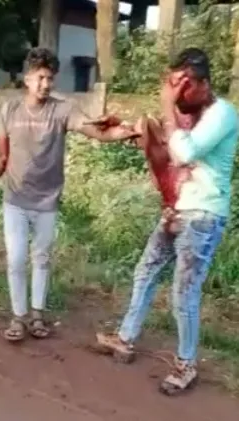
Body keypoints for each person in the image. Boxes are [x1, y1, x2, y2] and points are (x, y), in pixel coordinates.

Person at [96, 48, 239, 396]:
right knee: (145, 271)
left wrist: (166, 107)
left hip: (203, 216)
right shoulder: (193, 116)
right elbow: (166, 145)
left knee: (184, 294)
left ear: (202, 84)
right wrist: (129, 129)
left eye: (181, 87)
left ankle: (186, 364)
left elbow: (185, 153)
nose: (176, 95)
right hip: (179, 210)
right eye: (171, 86)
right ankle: (125, 338)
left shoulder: (223, 113)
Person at [0, 47, 138, 343]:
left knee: (41, 258)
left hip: (47, 201)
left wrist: (127, 131)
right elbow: (1, 157)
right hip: (15, 199)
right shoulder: (9, 110)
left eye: (50, 78)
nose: (45, 84)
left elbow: (97, 131)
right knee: (16, 260)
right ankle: (18, 317)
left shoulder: (63, 110)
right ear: (27, 78)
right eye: (40, 77)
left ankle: (37, 315)